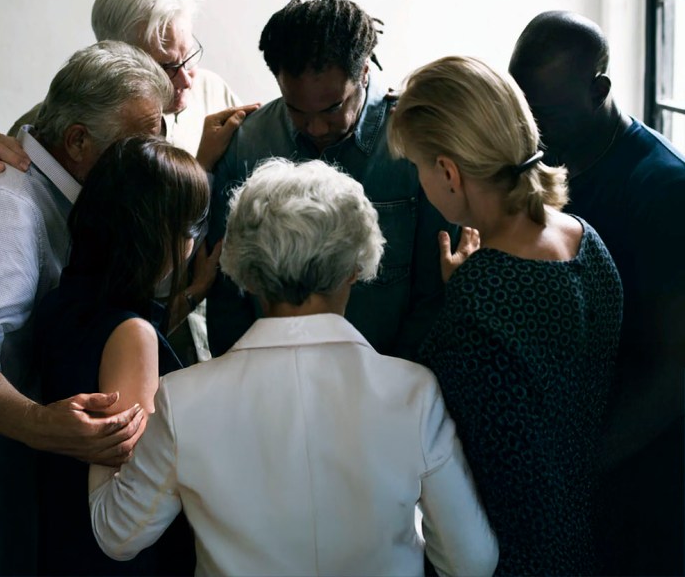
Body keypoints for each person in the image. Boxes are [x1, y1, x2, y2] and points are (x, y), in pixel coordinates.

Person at [88, 158, 499, 577]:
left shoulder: (182, 399)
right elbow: (471, 561)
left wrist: (104, 430)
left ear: (245, 273)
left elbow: (118, 535)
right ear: (357, 268)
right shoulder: (413, 392)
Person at [0, 41, 175, 576]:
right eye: (141, 140)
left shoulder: (68, 182)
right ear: (77, 141)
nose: (153, 152)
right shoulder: (10, 209)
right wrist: (41, 426)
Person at [388, 55, 622, 576]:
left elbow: (449, 439)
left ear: (448, 172)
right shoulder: (587, 240)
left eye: (420, 166)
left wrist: (463, 293)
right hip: (586, 530)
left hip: (512, 550)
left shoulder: (480, 294)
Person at [509, 10, 685, 577]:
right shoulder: (550, 161)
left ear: (600, 89)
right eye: (522, 108)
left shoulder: (663, 190)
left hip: (642, 473)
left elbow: (672, 373)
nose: (530, 130)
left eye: (546, 112)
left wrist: (576, 470)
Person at [207, 0, 456, 359]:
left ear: (365, 71)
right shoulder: (245, 144)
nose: (316, 127)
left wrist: (395, 383)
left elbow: (432, 293)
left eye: (333, 108)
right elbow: (228, 293)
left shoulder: (416, 142)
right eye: (295, 109)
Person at [36, 135, 215, 576]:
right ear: (164, 235)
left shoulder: (65, 300)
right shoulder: (131, 334)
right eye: (190, 228)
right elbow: (129, 493)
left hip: (56, 533)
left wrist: (192, 294)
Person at [0, 0, 257, 210]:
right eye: (166, 67)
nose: (187, 80)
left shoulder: (213, 92)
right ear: (115, 55)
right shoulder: (53, 126)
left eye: (189, 56)